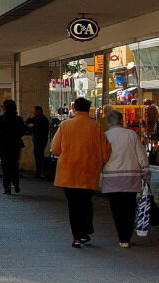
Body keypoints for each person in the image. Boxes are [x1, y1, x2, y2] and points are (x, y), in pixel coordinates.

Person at [52, 98, 111, 248]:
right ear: (89, 109)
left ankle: (77, 237)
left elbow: (56, 149)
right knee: (86, 202)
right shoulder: (96, 127)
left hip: (68, 172)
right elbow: (105, 152)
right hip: (89, 171)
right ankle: (85, 232)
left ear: (74, 108)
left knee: (73, 205)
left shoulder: (65, 125)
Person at [102, 110, 150, 248]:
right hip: (132, 178)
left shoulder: (105, 136)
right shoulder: (131, 135)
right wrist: (146, 173)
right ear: (121, 120)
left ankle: (122, 236)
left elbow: (101, 157)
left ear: (108, 122)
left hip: (112, 179)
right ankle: (126, 236)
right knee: (129, 208)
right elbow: (141, 155)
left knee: (116, 209)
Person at [0, 99, 27, 195]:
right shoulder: (18, 119)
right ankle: (16, 183)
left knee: (5, 166)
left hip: (4, 145)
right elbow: (23, 131)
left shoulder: (2, 119)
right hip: (15, 144)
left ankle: (7, 188)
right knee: (15, 165)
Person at [25, 105, 50, 178]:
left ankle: (40, 171)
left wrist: (28, 129)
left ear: (39, 111)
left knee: (39, 155)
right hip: (38, 140)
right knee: (38, 155)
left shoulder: (42, 119)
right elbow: (30, 122)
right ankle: (39, 171)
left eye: (34, 110)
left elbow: (36, 128)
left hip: (40, 140)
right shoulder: (37, 118)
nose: (33, 112)